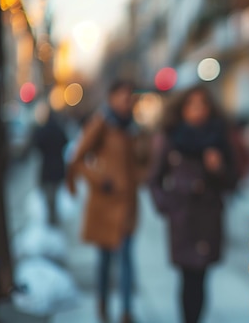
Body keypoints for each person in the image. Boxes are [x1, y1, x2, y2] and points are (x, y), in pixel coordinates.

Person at [148, 85, 237, 323]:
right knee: (188, 277)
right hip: (182, 218)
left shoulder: (218, 138)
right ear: (182, 108)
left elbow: (233, 181)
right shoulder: (171, 137)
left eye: (202, 104)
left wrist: (218, 169)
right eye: (192, 104)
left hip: (208, 218)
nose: (197, 110)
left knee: (200, 277)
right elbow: (154, 179)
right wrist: (166, 206)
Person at [66, 80, 148, 323]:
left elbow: (144, 161)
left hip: (128, 204)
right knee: (104, 261)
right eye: (122, 97)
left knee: (127, 259)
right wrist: (100, 178)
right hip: (105, 203)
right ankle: (102, 308)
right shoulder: (101, 123)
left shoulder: (134, 127)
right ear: (111, 98)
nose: (127, 101)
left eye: (129, 97)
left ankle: (126, 312)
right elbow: (78, 158)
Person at [32, 105, 68, 225]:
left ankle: (52, 221)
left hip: (47, 168)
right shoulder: (59, 129)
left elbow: (36, 143)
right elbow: (65, 141)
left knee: (49, 197)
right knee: (54, 197)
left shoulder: (44, 130)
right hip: (58, 167)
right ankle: (53, 220)